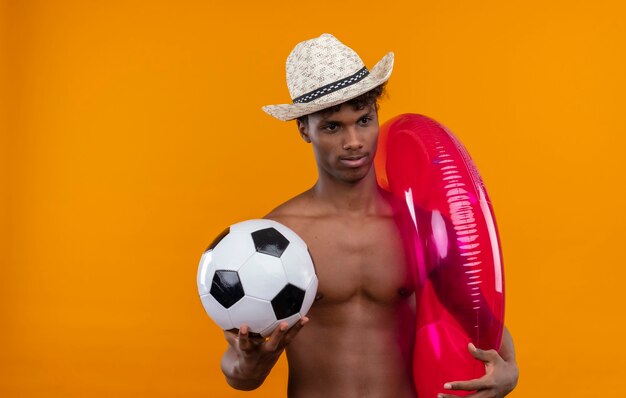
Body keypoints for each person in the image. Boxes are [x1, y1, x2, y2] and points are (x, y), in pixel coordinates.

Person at [219, 33, 519, 398]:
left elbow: (484, 319)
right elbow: (239, 371)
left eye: (364, 120)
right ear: (304, 129)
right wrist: (249, 365)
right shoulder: (277, 236)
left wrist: (509, 372)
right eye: (332, 127)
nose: (354, 141)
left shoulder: (420, 227)